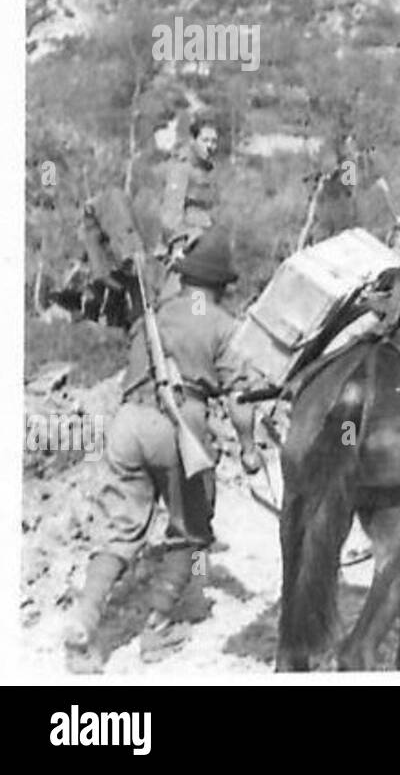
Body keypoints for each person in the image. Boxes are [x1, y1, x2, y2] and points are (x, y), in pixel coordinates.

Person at [63, 228, 263, 670]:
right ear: (221, 285)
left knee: (119, 530)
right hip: (180, 427)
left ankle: (83, 622)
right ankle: (158, 626)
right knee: (189, 526)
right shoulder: (226, 326)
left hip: (128, 422)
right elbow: (238, 398)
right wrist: (248, 449)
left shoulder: (154, 311)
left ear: (185, 275)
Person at [158, 113, 221, 257]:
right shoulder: (182, 166)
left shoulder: (208, 171)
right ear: (194, 140)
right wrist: (179, 245)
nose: (210, 146)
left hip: (206, 240)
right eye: (205, 140)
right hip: (186, 244)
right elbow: (171, 211)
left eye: (214, 141)